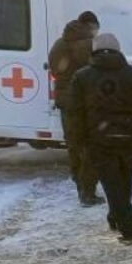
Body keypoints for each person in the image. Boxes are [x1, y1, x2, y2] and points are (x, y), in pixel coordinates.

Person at [67, 33, 132, 245]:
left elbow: (74, 114)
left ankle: (130, 231)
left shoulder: (81, 77)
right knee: (123, 182)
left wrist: (78, 141)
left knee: (113, 185)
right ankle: (116, 217)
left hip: (99, 140)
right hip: (130, 139)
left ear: (94, 51)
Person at [48, 11, 101, 206]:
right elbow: (97, 71)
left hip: (65, 102)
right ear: (91, 26)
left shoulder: (59, 44)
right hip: (86, 103)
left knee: (74, 144)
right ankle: (88, 192)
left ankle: (80, 187)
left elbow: (55, 70)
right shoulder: (90, 45)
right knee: (90, 146)